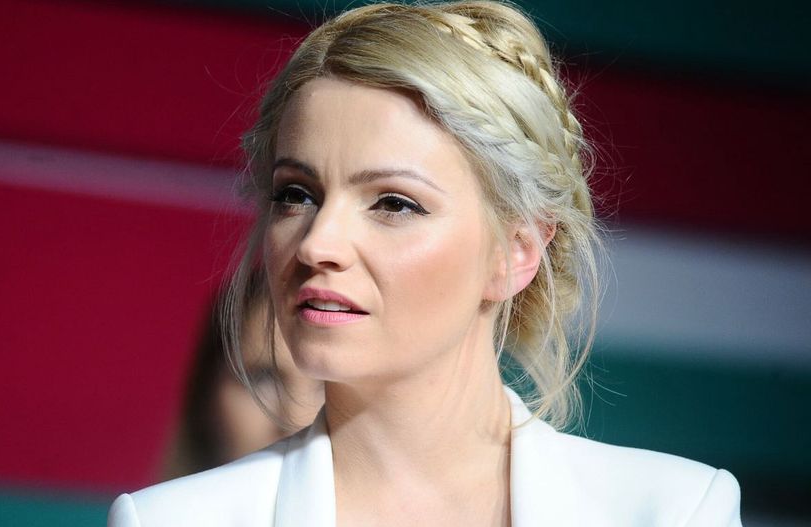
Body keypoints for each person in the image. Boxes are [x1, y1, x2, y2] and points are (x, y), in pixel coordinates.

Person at [109, 2, 742, 525]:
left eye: (394, 203)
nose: (317, 243)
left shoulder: (674, 511)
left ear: (517, 250)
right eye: (296, 194)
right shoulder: (169, 521)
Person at [162, 271, 323, 478]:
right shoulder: (136, 503)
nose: (297, 420)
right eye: (263, 378)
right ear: (206, 392)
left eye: (331, 384)